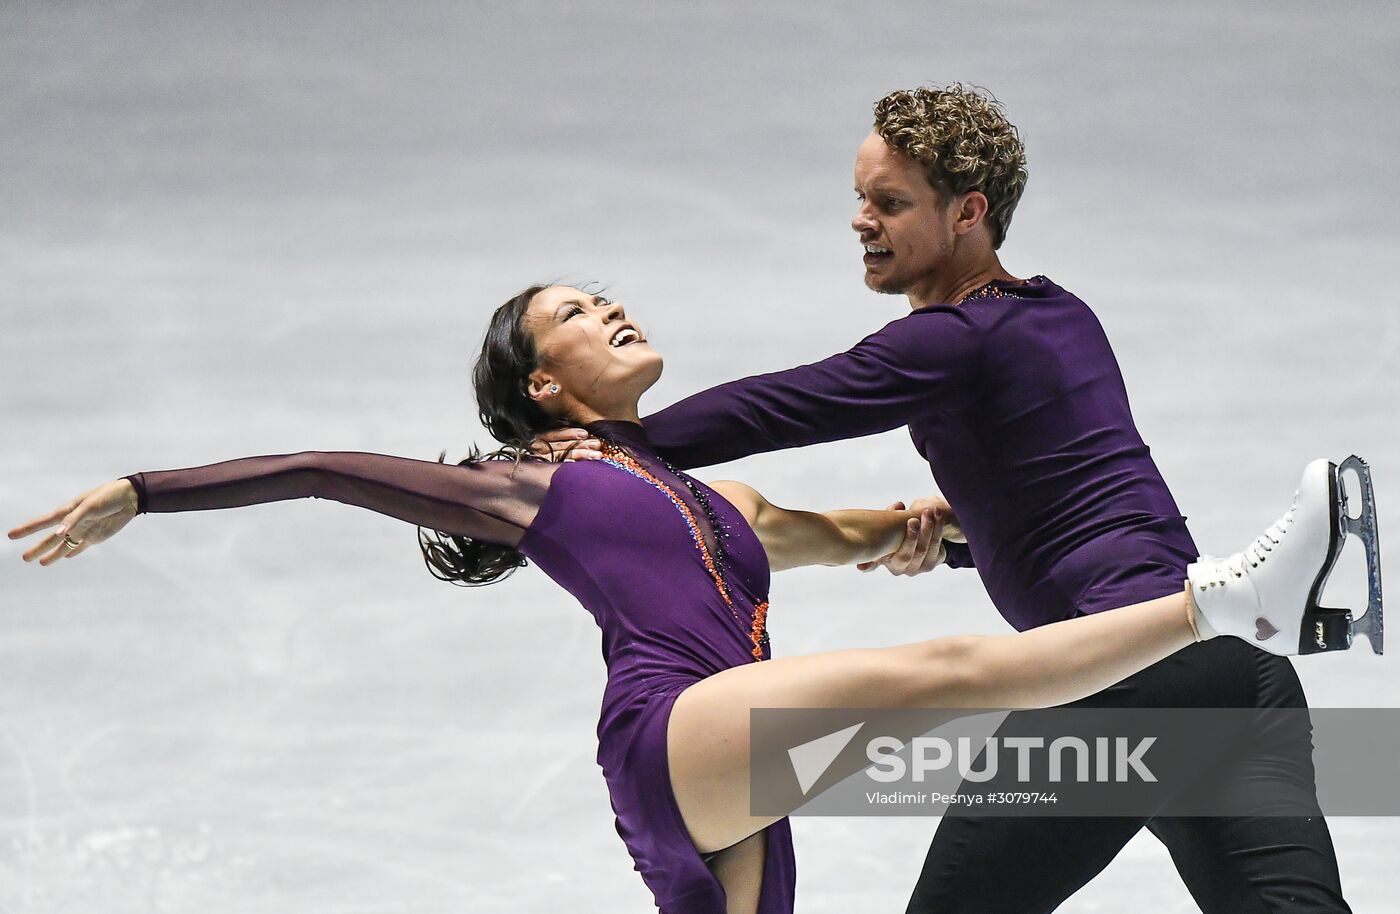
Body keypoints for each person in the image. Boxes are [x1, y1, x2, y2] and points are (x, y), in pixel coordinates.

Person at [8, 283, 1372, 914]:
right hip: (674, 727)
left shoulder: (698, 489)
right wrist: (144, 486)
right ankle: (1236, 605)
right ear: (543, 384)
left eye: (609, 298)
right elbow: (322, 469)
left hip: (727, 777)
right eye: (576, 316)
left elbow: (839, 531)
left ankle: (1224, 616)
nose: (611, 313)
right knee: (943, 673)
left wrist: (937, 523)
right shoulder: (526, 484)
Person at [531, 85, 1375, 912]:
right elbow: (1079, 489)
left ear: (968, 213)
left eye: (890, 203)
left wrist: (610, 446)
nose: (863, 220)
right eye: (860, 197)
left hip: (1125, 681)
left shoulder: (951, 341)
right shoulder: (1058, 314)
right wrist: (969, 530)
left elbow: (784, 404)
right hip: (1234, 671)